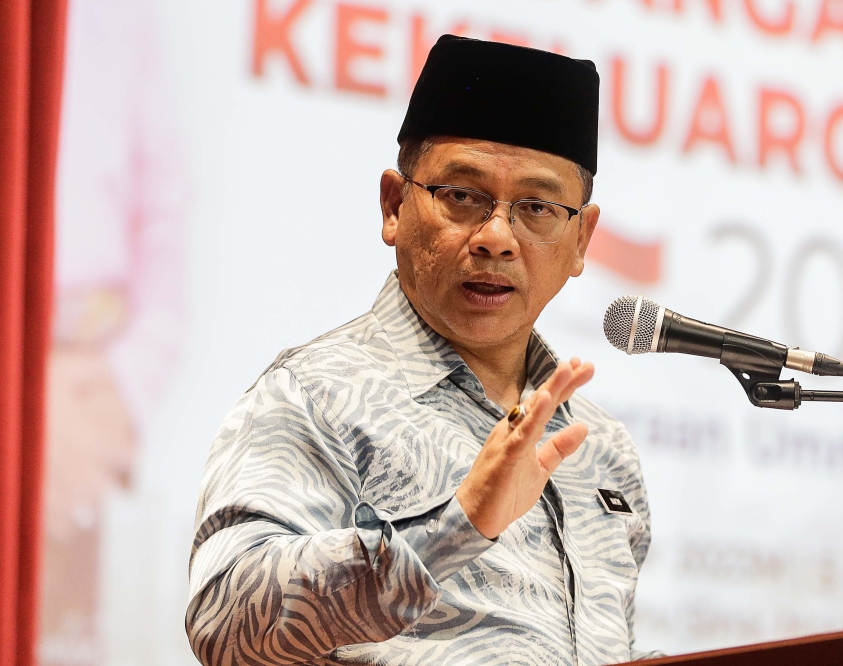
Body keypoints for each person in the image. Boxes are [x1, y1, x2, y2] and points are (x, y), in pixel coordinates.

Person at [186, 36, 655, 666]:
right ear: (393, 205)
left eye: (537, 208)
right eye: (462, 195)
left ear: (581, 241)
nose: (496, 238)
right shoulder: (313, 396)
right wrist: (454, 528)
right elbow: (224, 621)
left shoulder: (602, 448)